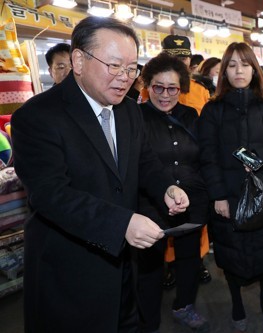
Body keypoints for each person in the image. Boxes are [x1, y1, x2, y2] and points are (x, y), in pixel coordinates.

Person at [11, 16, 189, 333]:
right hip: (71, 271)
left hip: (125, 266)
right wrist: (121, 224)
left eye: (132, 68)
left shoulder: (130, 110)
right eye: (115, 66)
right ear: (79, 60)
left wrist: (166, 188)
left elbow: (144, 161)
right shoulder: (37, 116)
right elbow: (51, 194)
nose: (125, 77)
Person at [197, 42, 263, 332]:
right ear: (224, 72)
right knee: (231, 253)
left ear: (254, 69)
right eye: (232, 65)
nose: (238, 70)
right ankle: (237, 303)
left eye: (245, 64)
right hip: (228, 193)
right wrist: (217, 196)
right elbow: (208, 156)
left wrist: (258, 158)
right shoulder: (213, 110)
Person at [137, 53, 209, 332]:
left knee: (189, 259)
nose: (165, 95)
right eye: (158, 87)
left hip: (192, 201)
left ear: (182, 88)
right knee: (150, 266)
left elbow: (201, 156)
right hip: (151, 205)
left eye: (173, 88)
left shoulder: (190, 115)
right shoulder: (135, 117)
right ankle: (149, 321)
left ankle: (184, 306)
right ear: (147, 85)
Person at [161, 34, 212, 285]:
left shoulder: (200, 92)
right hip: (163, 168)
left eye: (183, 56)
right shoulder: (151, 89)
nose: (179, 61)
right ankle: (169, 265)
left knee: (196, 220)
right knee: (167, 219)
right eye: (173, 56)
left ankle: (198, 262)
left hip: (194, 168)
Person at [161, 35, 210, 115]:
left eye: (184, 59)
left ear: (190, 60)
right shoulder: (152, 89)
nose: (180, 63)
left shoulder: (201, 90)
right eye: (174, 58)